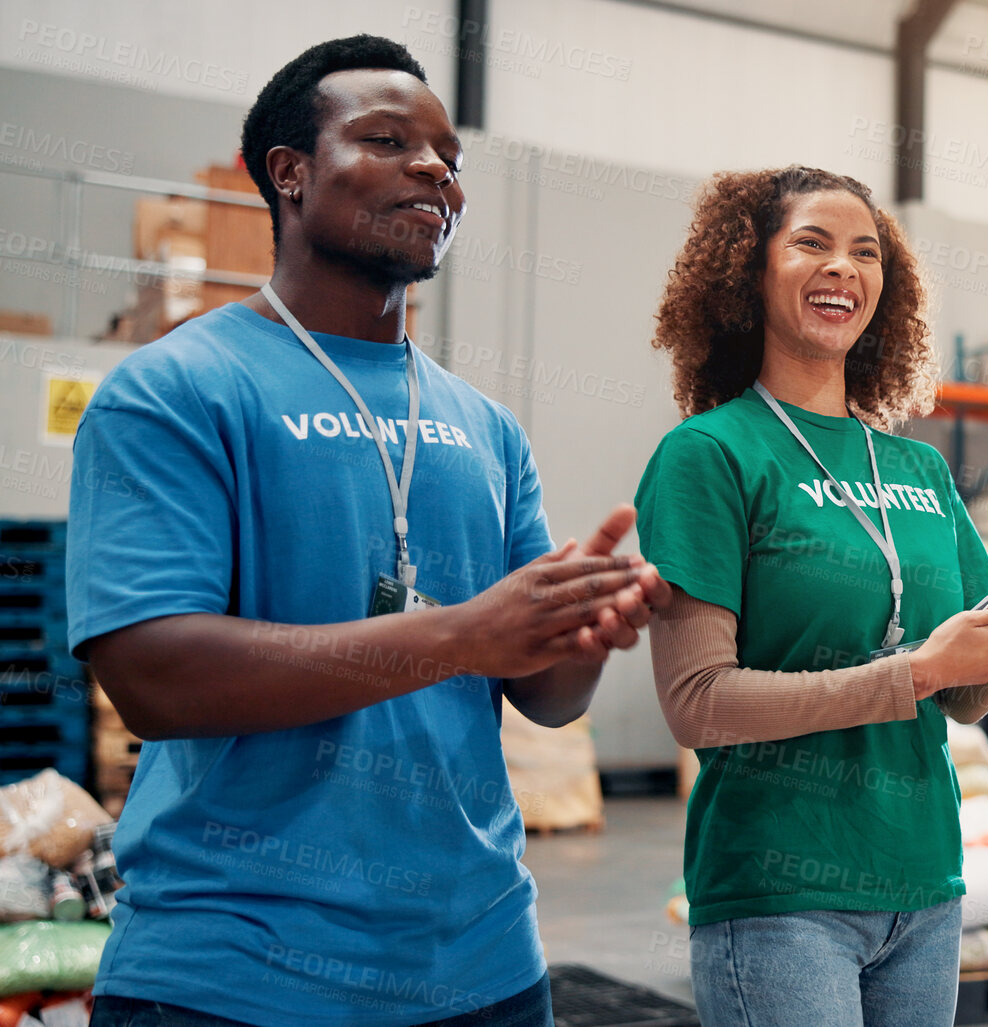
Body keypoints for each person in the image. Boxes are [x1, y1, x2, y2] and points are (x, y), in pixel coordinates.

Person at [66, 36, 667, 1027]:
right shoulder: (176, 389)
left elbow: (544, 702)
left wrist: (580, 633)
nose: (434, 169)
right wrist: (467, 632)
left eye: (448, 158)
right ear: (290, 174)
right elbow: (154, 677)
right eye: (386, 140)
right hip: (235, 975)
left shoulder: (485, 426)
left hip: (481, 966)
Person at [635, 165, 988, 1027]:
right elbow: (697, 704)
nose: (844, 268)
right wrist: (913, 671)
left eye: (865, 253)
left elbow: (964, 698)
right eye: (811, 244)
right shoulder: (709, 455)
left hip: (924, 884)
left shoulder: (918, 468)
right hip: (780, 888)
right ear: (747, 273)